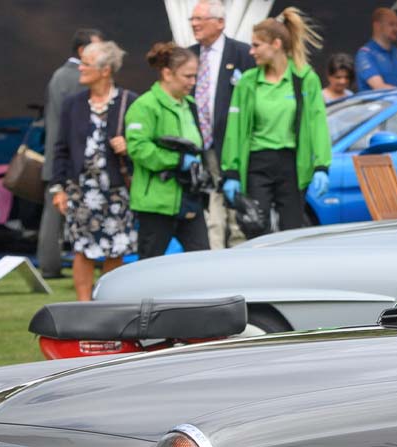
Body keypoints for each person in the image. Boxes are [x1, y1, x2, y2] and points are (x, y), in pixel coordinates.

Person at [221, 9, 330, 237]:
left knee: (292, 232)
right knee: (255, 228)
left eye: (256, 45)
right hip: (257, 165)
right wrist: (230, 171)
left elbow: (318, 123)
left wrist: (321, 166)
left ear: (276, 44)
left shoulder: (304, 79)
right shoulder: (248, 82)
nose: (251, 52)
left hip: (291, 165)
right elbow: (234, 129)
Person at [47, 41, 139, 300]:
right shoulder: (72, 104)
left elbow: (144, 143)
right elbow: (60, 147)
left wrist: (129, 147)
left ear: (105, 70)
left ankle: (107, 301)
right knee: (82, 248)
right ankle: (84, 306)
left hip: (116, 189)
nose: (81, 69)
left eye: (87, 64)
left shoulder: (129, 102)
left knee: (115, 248)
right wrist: (59, 188)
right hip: (81, 189)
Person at [127, 43, 211, 260]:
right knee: (149, 265)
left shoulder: (190, 105)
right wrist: (177, 160)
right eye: (187, 76)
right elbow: (138, 148)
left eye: (195, 76)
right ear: (167, 73)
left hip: (189, 198)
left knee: (202, 259)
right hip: (156, 203)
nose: (193, 82)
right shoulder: (144, 106)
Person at [38, 27, 103, 279]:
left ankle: (49, 265)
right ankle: (81, 264)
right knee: (73, 214)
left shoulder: (58, 76)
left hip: (55, 156)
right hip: (70, 159)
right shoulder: (78, 77)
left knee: (52, 217)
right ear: (82, 51)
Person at [187, 1, 253, 250]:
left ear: (220, 23)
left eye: (200, 19)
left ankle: (239, 259)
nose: (194, 24)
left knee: (236, 212)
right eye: (192, 20)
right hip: (200, 148)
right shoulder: (188, 55)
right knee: (211, 213)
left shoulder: (243, 54)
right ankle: (213, 261)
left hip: (233, 146)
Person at [355, 8, 397, 91]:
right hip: (378, 104)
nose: (396, 29)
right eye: (391, 24)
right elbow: (380, 87)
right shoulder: (365, 54)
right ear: (377, 26)